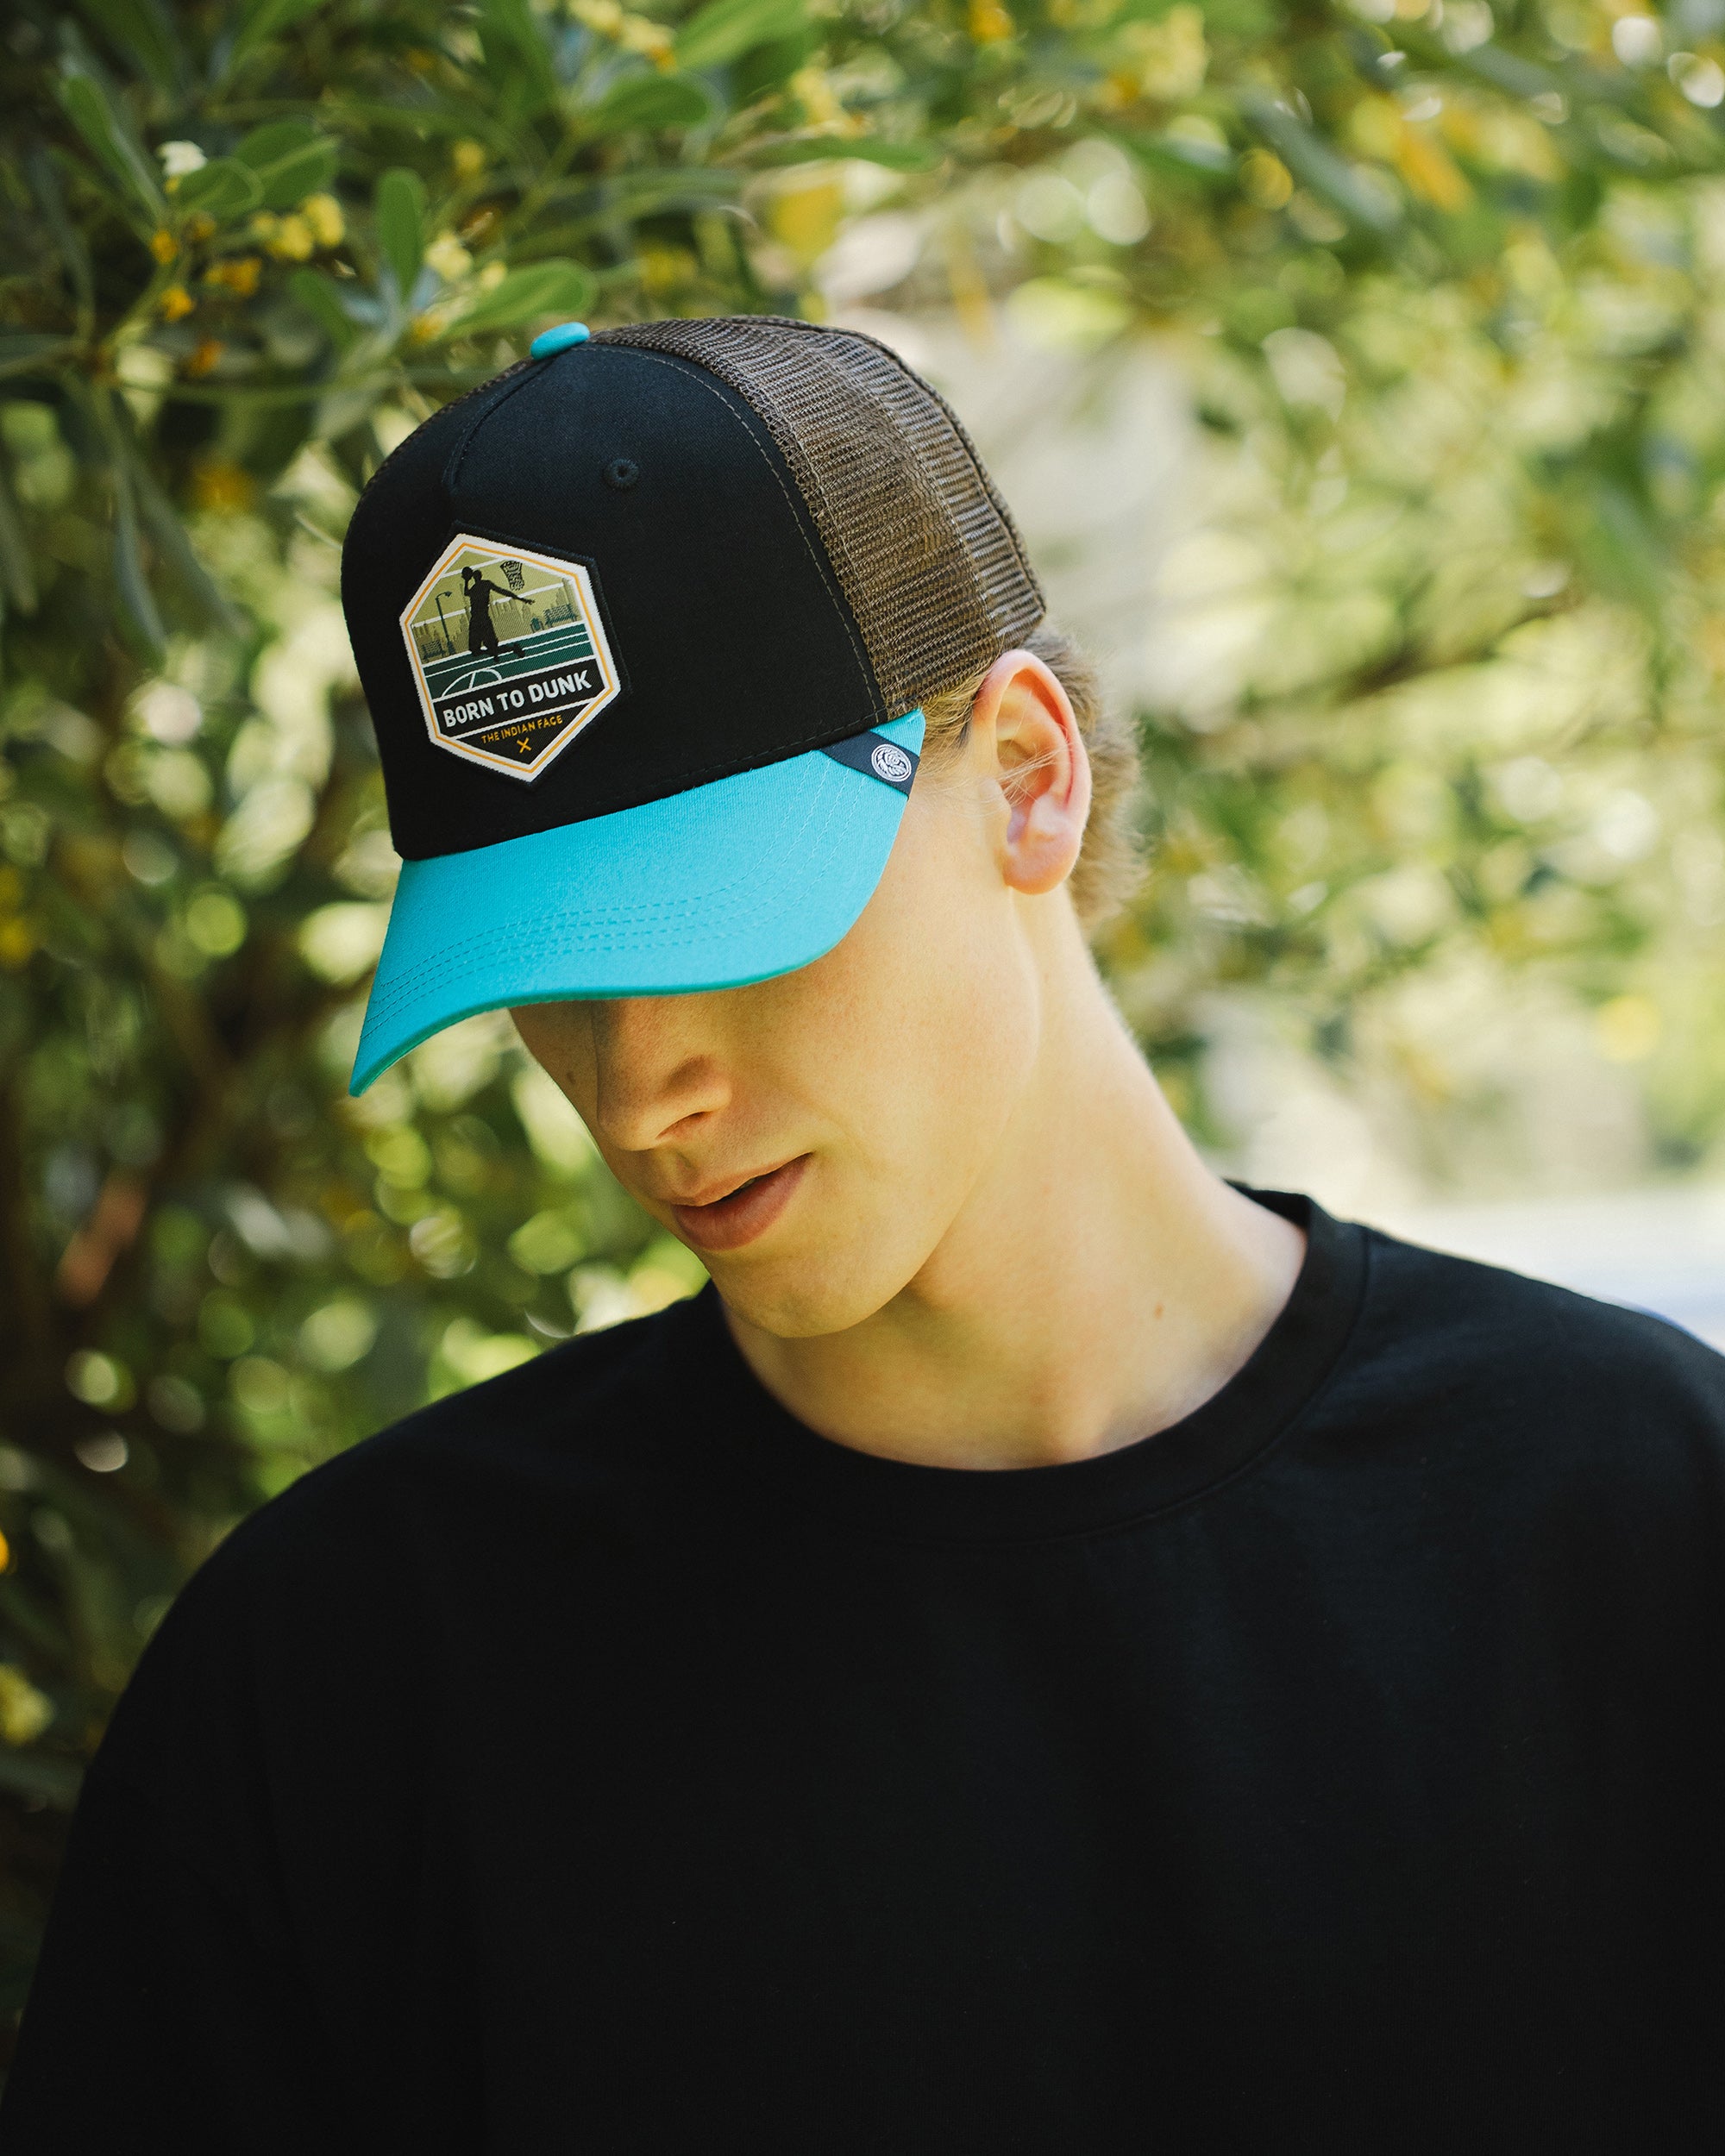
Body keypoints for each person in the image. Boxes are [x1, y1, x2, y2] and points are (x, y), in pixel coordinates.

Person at [3, 316, 1722, 2154]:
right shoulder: (346, 1674)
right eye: (551, 970)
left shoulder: (1634, 1520)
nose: (637, 1090)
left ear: (1028, 775)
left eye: (719, 923)